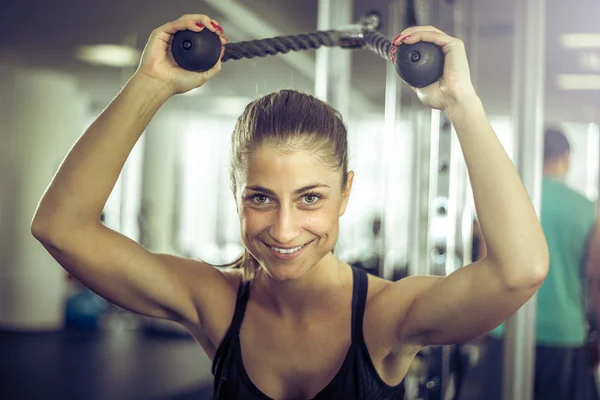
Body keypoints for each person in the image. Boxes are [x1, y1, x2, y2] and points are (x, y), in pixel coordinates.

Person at [30, 13, 549, 400]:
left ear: (346, 193)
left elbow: (519, 271)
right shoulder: (213, 303)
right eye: (260, 198)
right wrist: (150, 84)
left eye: (310, 198)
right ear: (236, 194)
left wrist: (462, 103)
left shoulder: (386, 316)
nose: (283, 229)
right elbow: (61, 227)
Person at [470, 128, 600, 400]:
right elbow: (597, 276)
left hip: (506, 330)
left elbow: (483, 268)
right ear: (566, 157)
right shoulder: (589, 210)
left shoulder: (505, 201)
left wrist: (480, 329)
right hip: (565, 334)